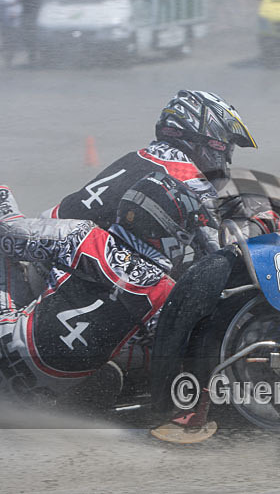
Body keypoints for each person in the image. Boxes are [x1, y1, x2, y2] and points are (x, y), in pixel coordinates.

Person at [0, 173, 215, 404]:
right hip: (37, 395)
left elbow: (9, 233)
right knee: (144, 347)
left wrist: (3, 195)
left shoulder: (83, 236)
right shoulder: (165, 294)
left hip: (6, 341)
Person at [45, 90, 258, 235]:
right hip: (73, 261)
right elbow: (220, 248)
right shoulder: (187, 177)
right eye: (225, 146)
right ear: (201, 136)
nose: (227, 158)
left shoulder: (141, 156)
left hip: (50, 229)